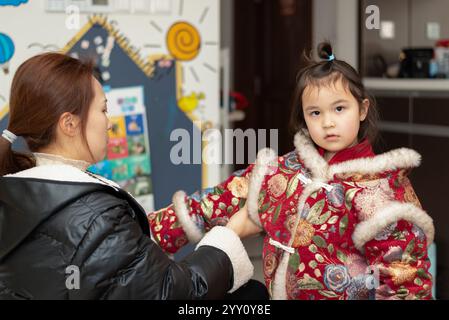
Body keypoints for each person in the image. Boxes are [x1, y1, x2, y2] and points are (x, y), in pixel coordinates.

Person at [148, 42, 435, 300]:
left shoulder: (383, 190)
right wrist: (141, 234)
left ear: (361, 110)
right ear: (304, 118)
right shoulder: (283, 172)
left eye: (339, 109)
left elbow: (405, 281)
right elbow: (217, 201)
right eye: (315, 113)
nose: (328, 123)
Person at [0, 53, 259, 300]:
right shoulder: (97, 216)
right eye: (102, 110)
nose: (109, 122)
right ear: (69, 124)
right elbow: (173, 293)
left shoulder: (13, 193)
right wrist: (229, 237)